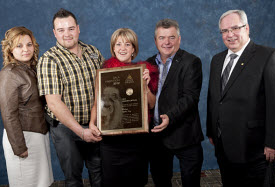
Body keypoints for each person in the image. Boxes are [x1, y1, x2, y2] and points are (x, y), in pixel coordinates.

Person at [206, 9, 275, 187]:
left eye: (235, 28)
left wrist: (274, 142)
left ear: (247, 28)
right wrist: (211, 130)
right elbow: (214, 97)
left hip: (255, 149)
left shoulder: (268, 56)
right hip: (223, 144)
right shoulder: (217, 60)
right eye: (224, 31)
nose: (230, 35)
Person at [37, 8, 104, 187]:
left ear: (78, 28)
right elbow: (53, 102)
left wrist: (139, 77)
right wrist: (81, 132)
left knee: (99, 173)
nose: (67, 34)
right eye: (61, 30)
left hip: (94, 124)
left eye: (71, 28)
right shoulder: (49, 59)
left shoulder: (93, 52)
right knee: (73, 178)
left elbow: (108, 85)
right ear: (54, 33)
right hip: (65, 128)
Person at [89, 28, 159, 187]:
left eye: (127, 44)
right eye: (118, 44)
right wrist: (92, 124)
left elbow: (152, 104)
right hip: (111, 142)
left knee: (137, 181)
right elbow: (96, 104)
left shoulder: (143, 71)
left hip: (136, 141)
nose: (122, 48)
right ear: (113, 48)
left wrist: (145, 86)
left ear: (133, 49)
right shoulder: (104, 73)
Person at [146, 19, 204, 187]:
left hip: (185, 135)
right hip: (157, 136)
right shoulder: (148, 64)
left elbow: (190, 98)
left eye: (172, 37)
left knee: (191, 182)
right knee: (161, 181)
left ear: (179, 39)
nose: (167, 42)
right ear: (155, 40)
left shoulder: (191, 62)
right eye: (162, 37)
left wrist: (169, 117)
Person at [0, 26, 53, 187]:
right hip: (23, 138)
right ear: (10, 49)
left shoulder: (33, 68)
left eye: (29, 44)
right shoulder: (9, 73)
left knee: (42, 183)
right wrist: (19, 146)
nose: (26, 49)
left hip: (39, 135)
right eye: (19, 46)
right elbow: (8, 113)